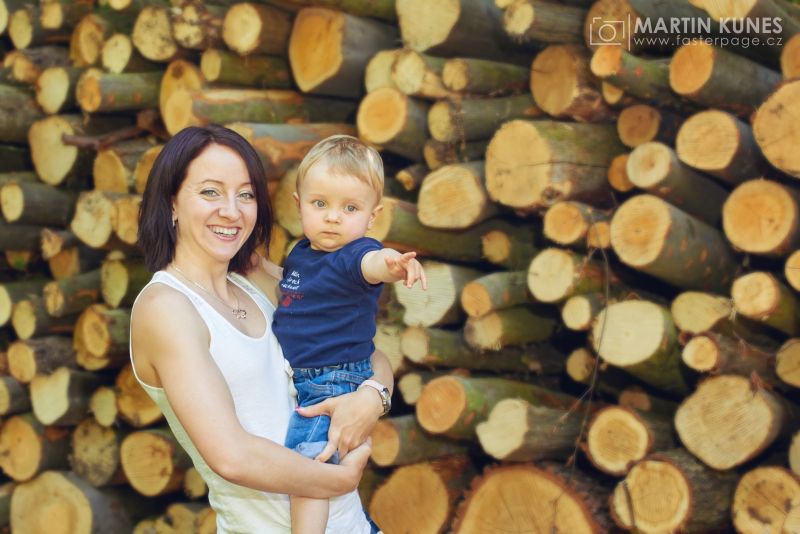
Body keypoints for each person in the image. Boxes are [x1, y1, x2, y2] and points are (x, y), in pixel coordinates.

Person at [130, 125, 393, 533]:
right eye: (210, 192)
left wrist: (374, 397)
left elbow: (367, 354)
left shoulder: (260, 281)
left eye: (246, 194)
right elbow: (231, 455)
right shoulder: (166, 307)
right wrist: (336, 480)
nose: (232, 211)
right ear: (172, 204)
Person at [273, 136, 426, 533]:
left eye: (350, 208)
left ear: (372, 217)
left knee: (311, 469)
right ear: (298, 204)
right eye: (319, 204)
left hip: (334, 379)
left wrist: (391, 264)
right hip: (312, 375)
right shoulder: (301, 254)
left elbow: (371, 264)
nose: (333, 217)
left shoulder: (353, 254)